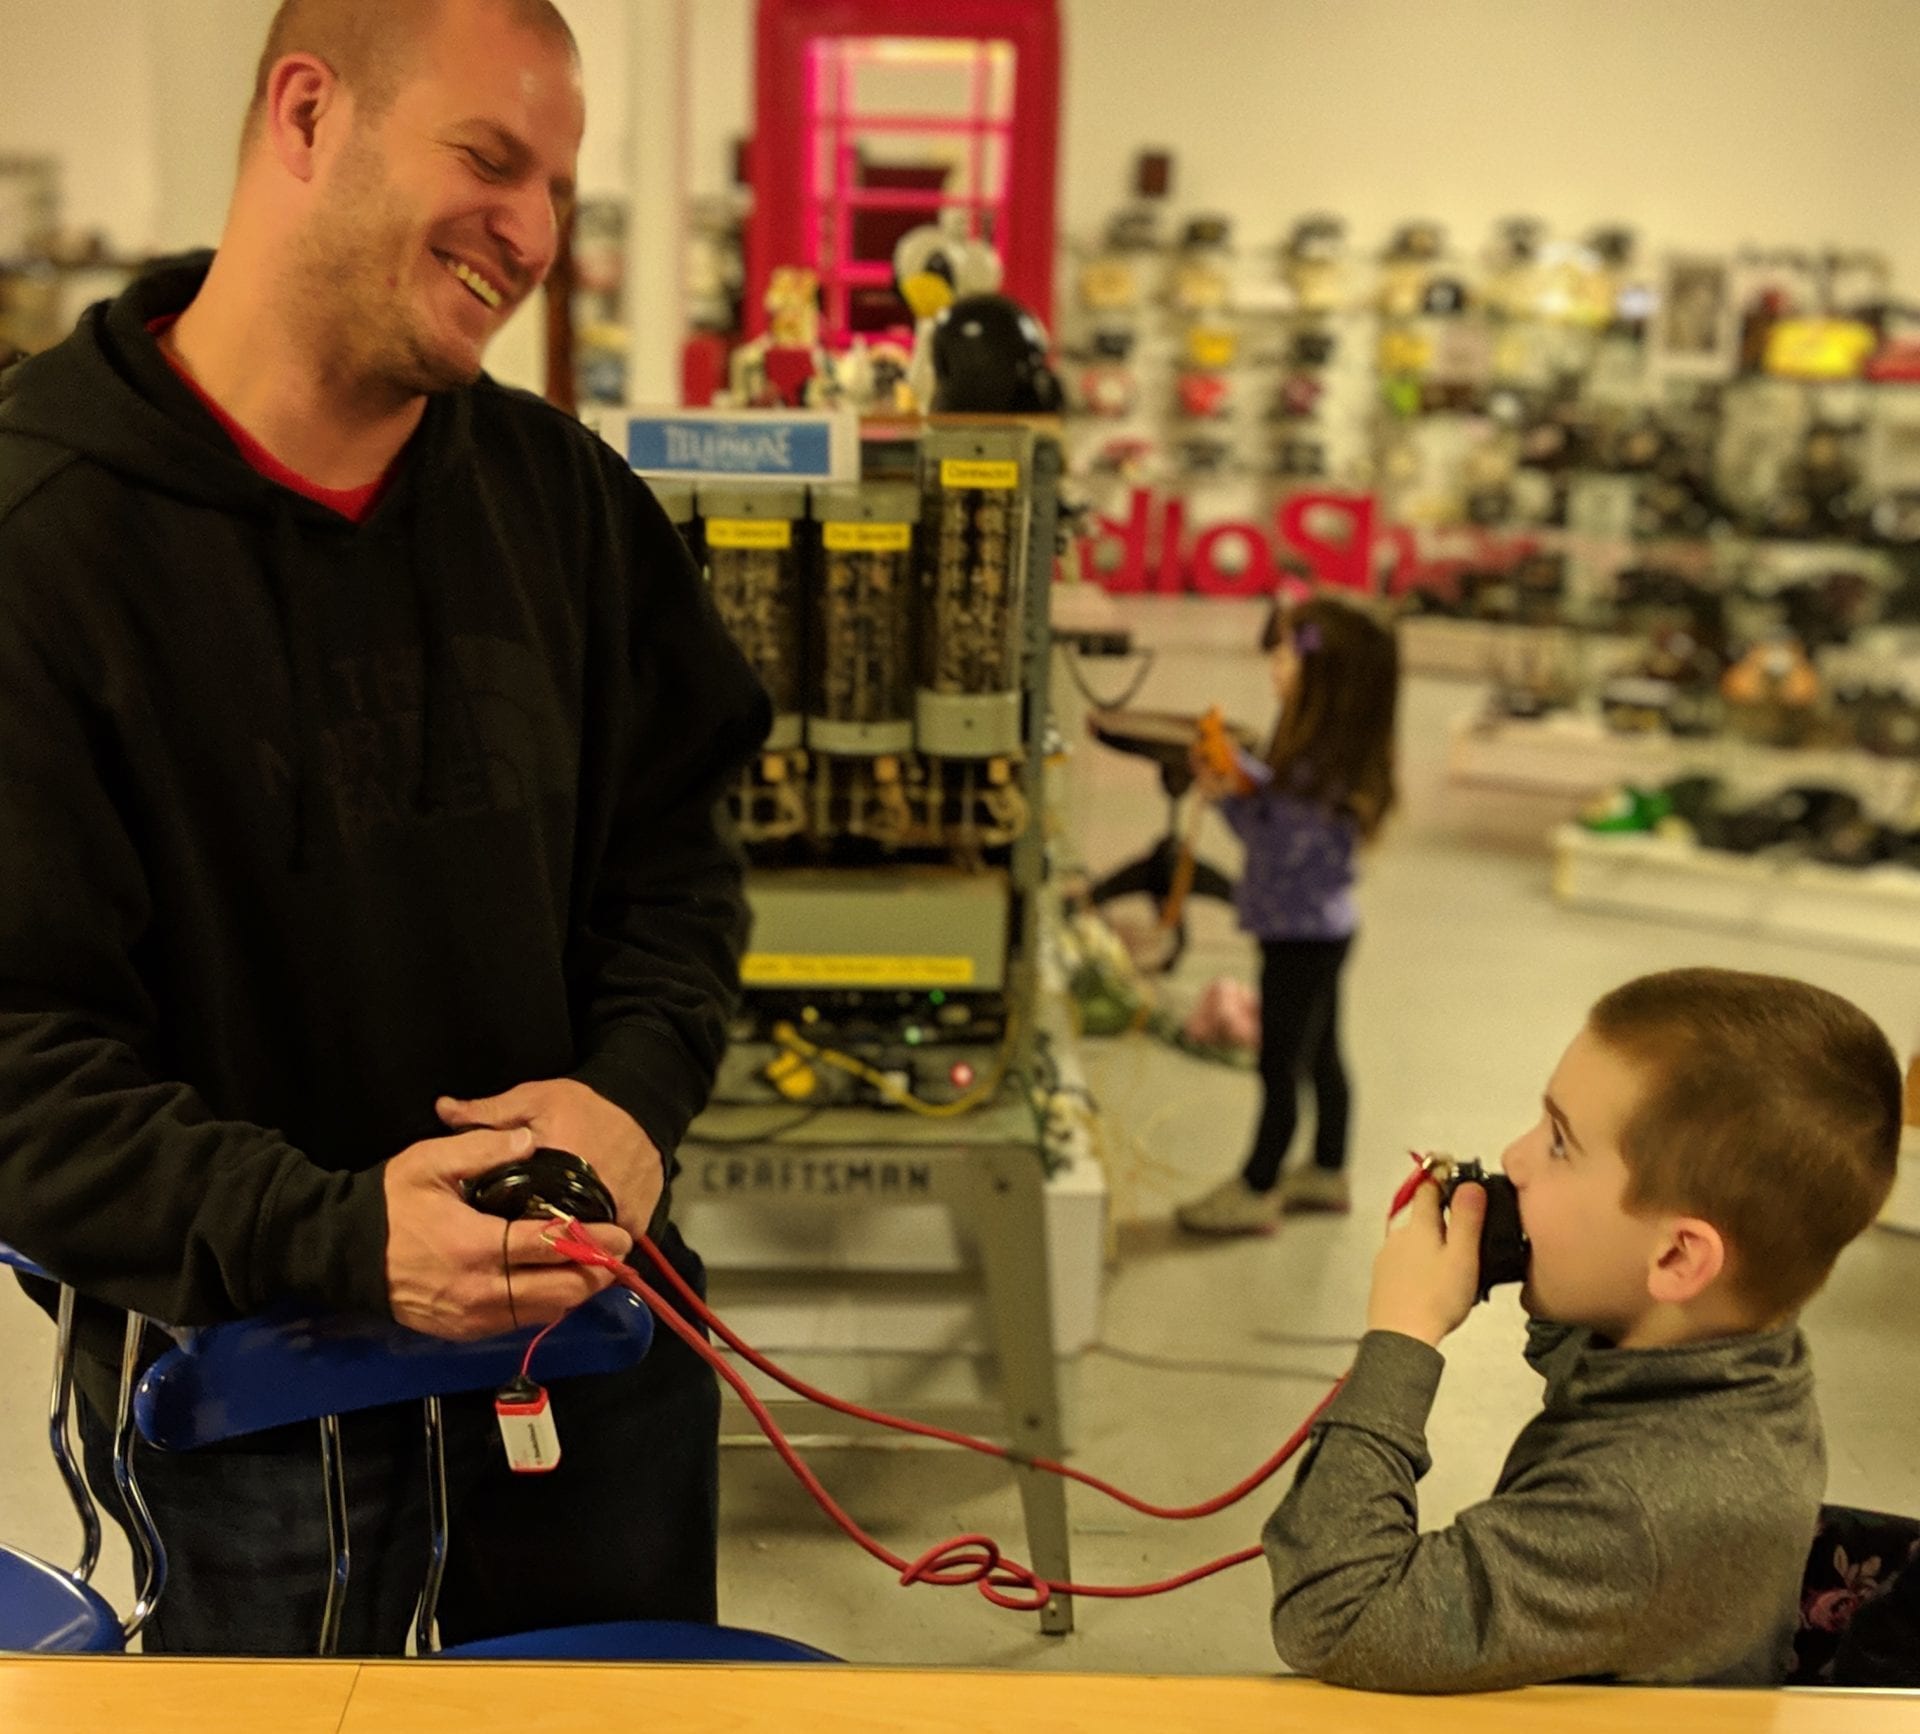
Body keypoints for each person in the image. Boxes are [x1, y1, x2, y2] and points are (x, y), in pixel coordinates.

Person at [0, 0, 769, 1654]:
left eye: (561, 187)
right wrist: (342, 1234)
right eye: (490, 160)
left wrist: (635, 1104)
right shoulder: (43, 546)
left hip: (597, 1364)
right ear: (304, 113)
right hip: (243, 1402)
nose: (534, 234)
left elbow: (678, 876)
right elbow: (17, 1055)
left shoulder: (565, 506)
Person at [1263, 968, 1902, 1693]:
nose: (1515, 1157)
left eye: (1561, 1144)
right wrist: (1509, 1242)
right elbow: (1579, 1342)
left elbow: (1339, 1618)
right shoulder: (1737, 1343)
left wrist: (1403, 1337)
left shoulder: (1640, 1512)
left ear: (1676, 1256)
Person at [1176, 594, 1398, 1233]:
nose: (1274, 664)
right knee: (1323, 1052)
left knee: (1280, 1066)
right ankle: (1328, 1170)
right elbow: (1275, 818)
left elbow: (1274, 841)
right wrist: (1236, 781)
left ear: (1324, 677)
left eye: (1285, 653)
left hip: (1300, 937)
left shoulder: (1320, 768)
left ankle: (1257, 1185)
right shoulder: (1322, 755)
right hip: (1319, 928)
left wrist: (1228, 792)